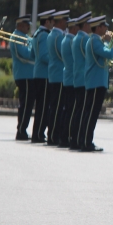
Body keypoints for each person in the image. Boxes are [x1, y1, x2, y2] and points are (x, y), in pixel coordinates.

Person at [80, 15, 113, 153]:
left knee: (92, 113)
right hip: (95, 81)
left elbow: (108, 52)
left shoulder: (97, 41)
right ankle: (86, 142)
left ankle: (86, 141)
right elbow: (109, 53)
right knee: (91, 114)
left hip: (97, 81)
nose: (106, 29)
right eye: (104, 26)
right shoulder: (94, 41)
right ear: (98, 28)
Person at [30, 9, 55, 143]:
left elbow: (32, 55)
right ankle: (38, 133)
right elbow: (44, 56)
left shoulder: (36, 34)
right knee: (43, 106)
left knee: (41, 105)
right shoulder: (45, 35)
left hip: (37, 73)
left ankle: (37, 133)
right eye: (52, 21)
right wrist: (56, 60)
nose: (53, 24)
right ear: (47, 22)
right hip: (44, 74)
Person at [10, 15, 36, 141]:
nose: (28, 27)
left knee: (29, 104)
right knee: (25, 104)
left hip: (30, 75)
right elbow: (24, 55)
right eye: (26, 25)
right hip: (23, 74)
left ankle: (23, 129)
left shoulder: (26, 37)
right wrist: (35, 52)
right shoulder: (16, 37)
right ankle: (21, 130)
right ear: (20, 25)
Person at [46, 10, 69, 146]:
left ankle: (52, 134)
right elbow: (63, 55)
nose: (67, 23)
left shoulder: (52, 35)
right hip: (59, 74)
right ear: (61, 22)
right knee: (57, 108)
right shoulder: (58, 36)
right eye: (65, 21)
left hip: (54, 74)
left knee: (55, 106)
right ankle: (54, 135)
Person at [69, 12, 91, 150]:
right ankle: (79, 140)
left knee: (78, 111)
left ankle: (74, 139)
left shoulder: (77, 38)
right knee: (82, 112)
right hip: (83, 79)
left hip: (77, 78)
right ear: (85, 25)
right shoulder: (84, 39)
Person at [58, 15, 80, 149]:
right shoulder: (72, 41)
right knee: (71, 111)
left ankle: (63, 136)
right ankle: (67, 137)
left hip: (67, 77)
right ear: (73, 28)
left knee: (67, 110)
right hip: (72, 78)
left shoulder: (65, 39)